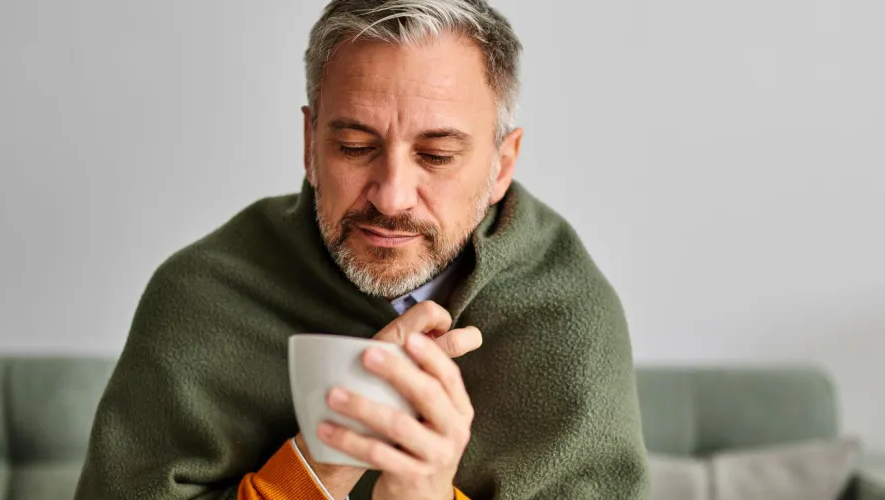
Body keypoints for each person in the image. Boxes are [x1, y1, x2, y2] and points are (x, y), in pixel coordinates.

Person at [73, 1, 648, 499]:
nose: (392, 196)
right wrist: (316, 467)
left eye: (438, 156)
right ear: (309, 143)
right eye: (354, 146)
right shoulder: (201, 295)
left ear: (502, 165)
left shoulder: (570, 316)